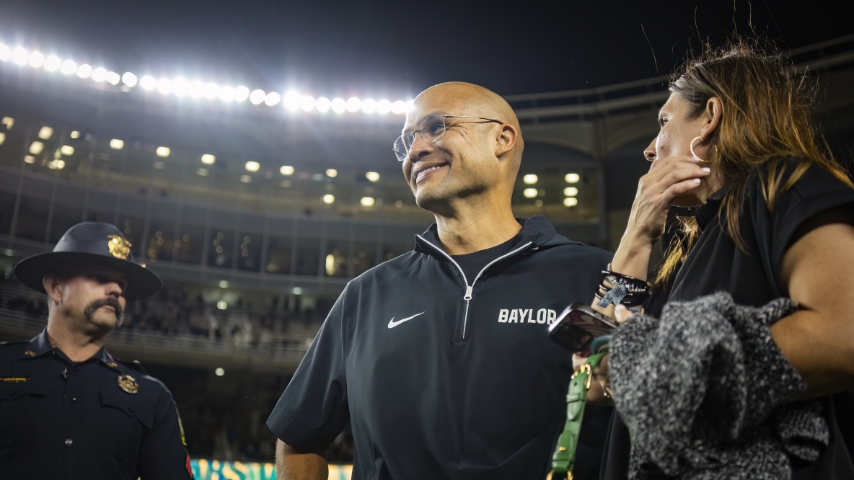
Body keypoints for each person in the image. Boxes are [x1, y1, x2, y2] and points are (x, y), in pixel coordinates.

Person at [267, 82, 613, 479]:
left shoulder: (596, 277)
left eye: (436, 127)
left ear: (502, 139)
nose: (415, 150)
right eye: (406, 142)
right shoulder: (366, 296)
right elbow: (298, 440)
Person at [588, 41, 854, 479]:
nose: (650, 150)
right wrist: (635, 241)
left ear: (709, 118)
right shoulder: (690, 243)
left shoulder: (782, 184)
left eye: (664, 122)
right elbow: (595, 377)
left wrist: (664, 370)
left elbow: (842, 335)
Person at [0, 222, 195, 480]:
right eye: (100, 277)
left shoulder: (152, 396)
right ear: (56, 287)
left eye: (123, 285)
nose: (116, 290)